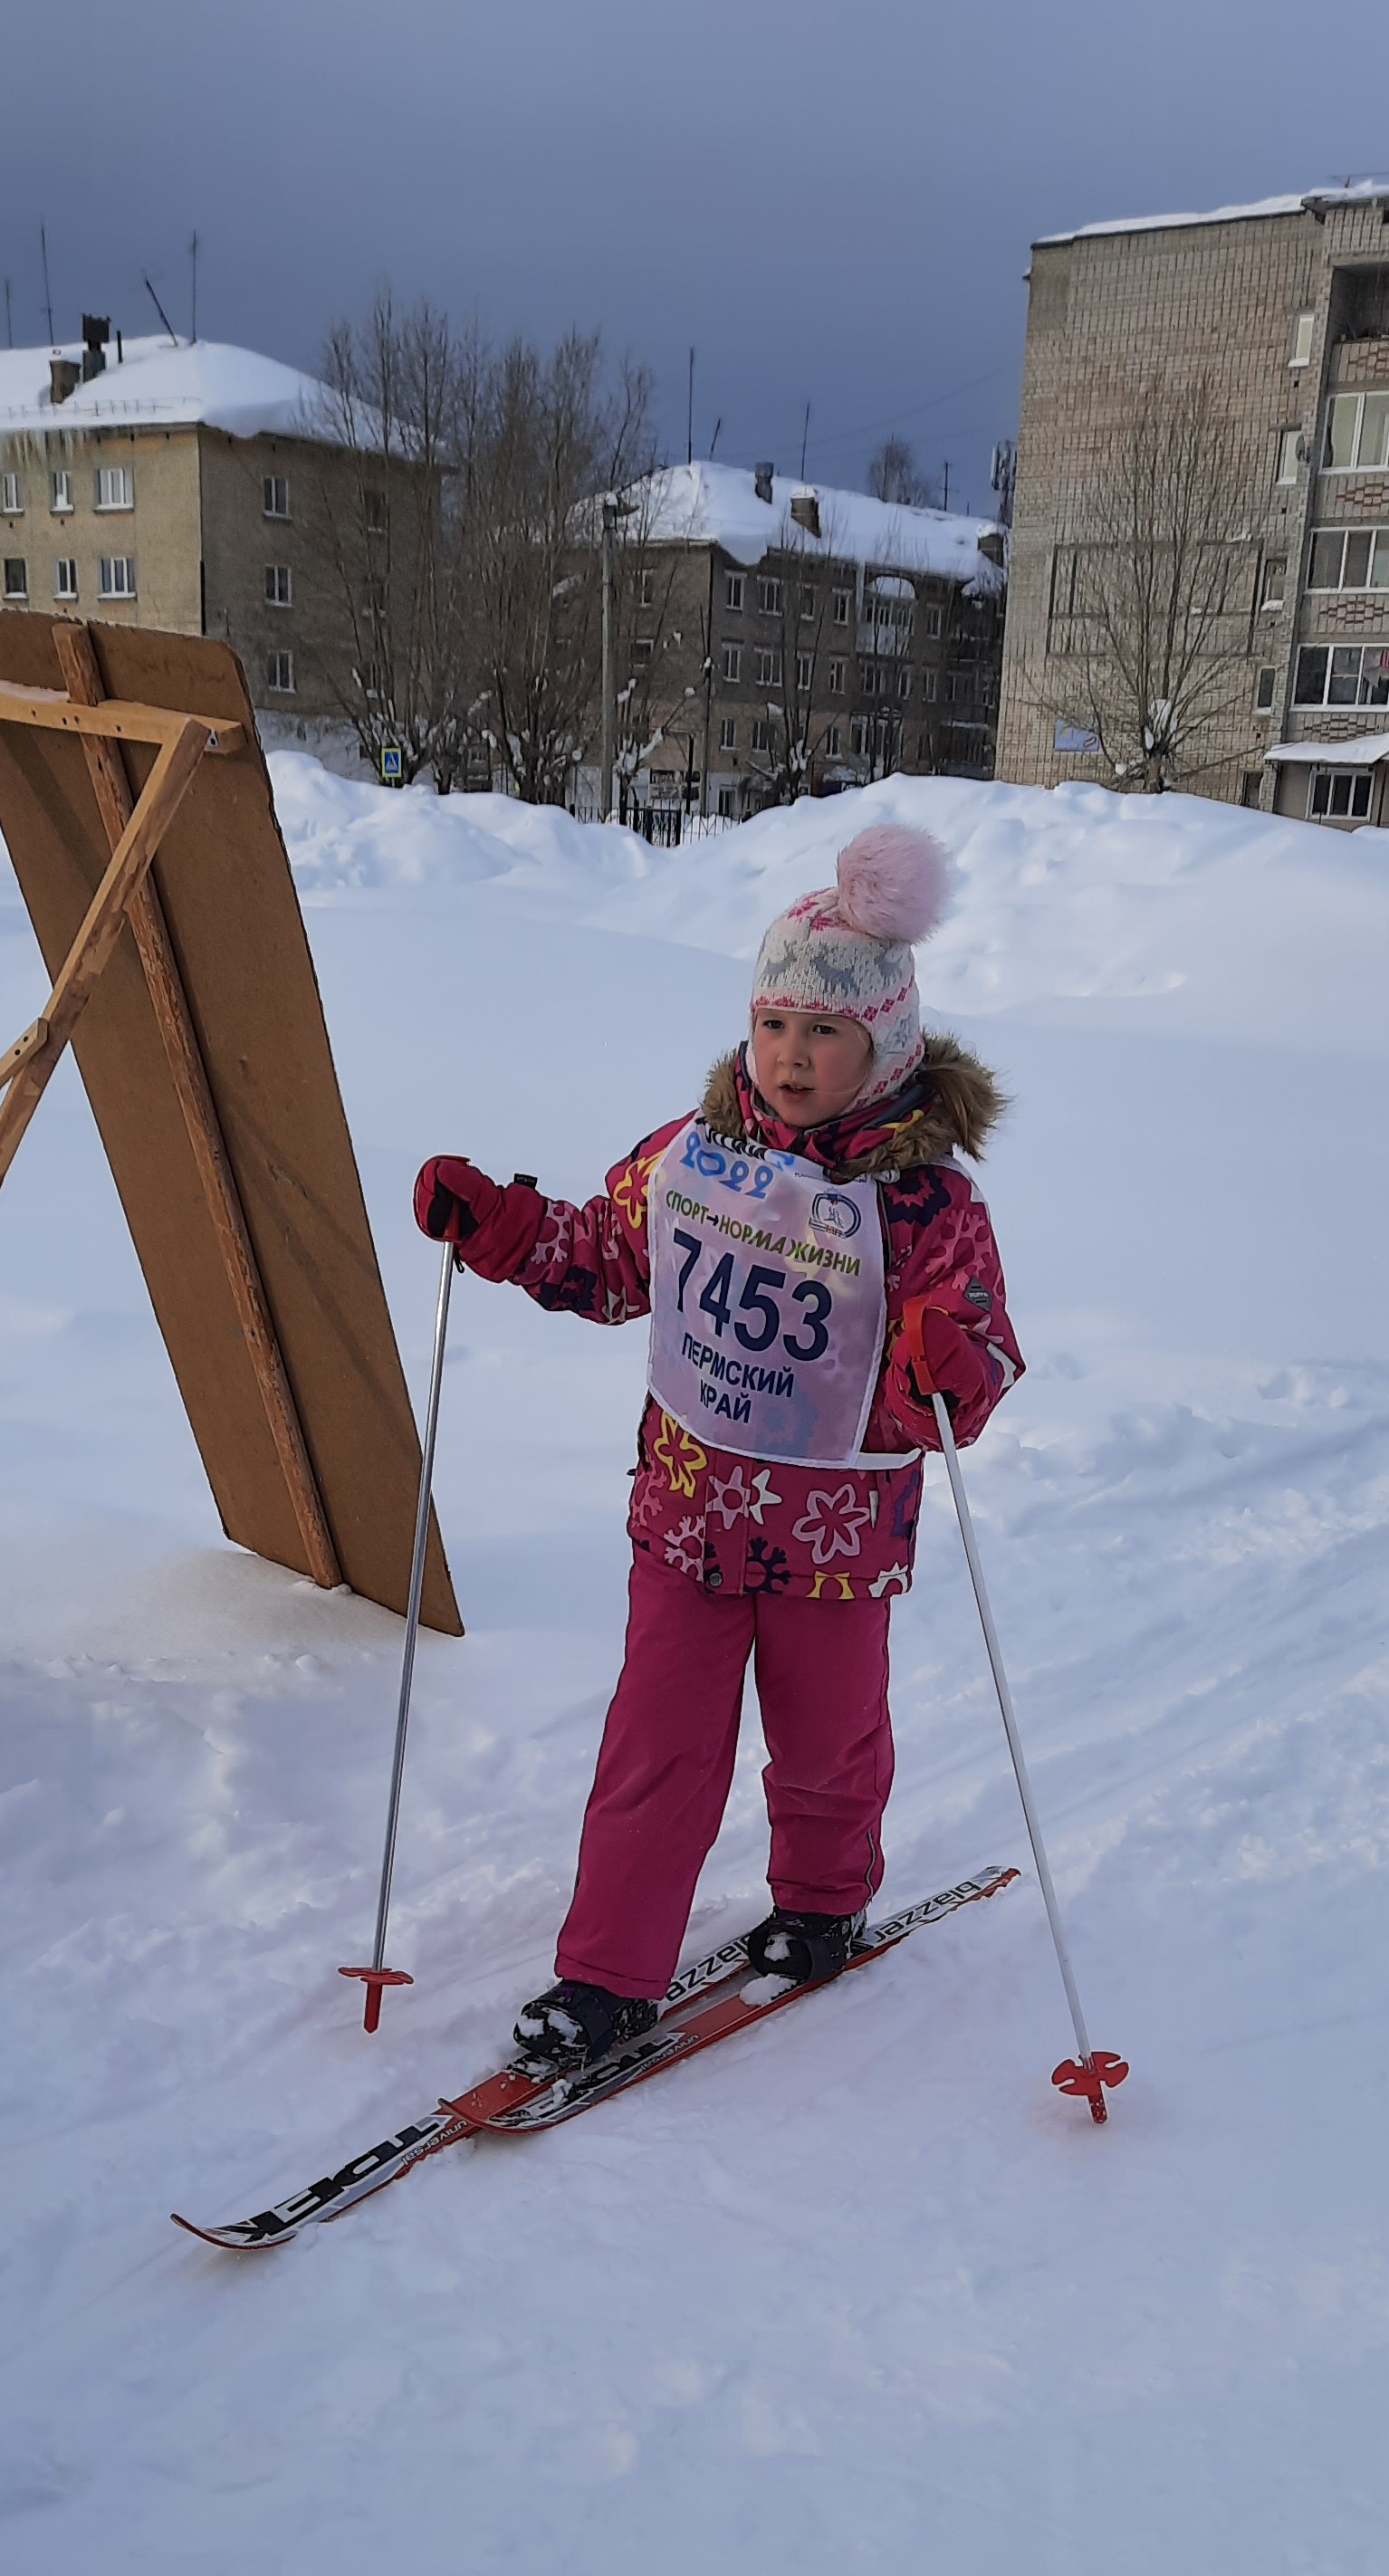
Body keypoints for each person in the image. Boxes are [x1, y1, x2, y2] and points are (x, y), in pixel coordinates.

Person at [414, 820, 1023, 2073]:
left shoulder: (926, 1206)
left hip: (837, 1542)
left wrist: (942, 1373)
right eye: (775, 1025)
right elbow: (605, 1258)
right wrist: (507, 1230)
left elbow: (976, 1366)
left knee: (828, 1742)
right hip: (684, 1520)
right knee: (655, 1751)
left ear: (885, 1046)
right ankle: (607, 1975)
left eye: (827, 1033)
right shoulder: (691, 1159)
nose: (794, 1057)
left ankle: (822, 1897)